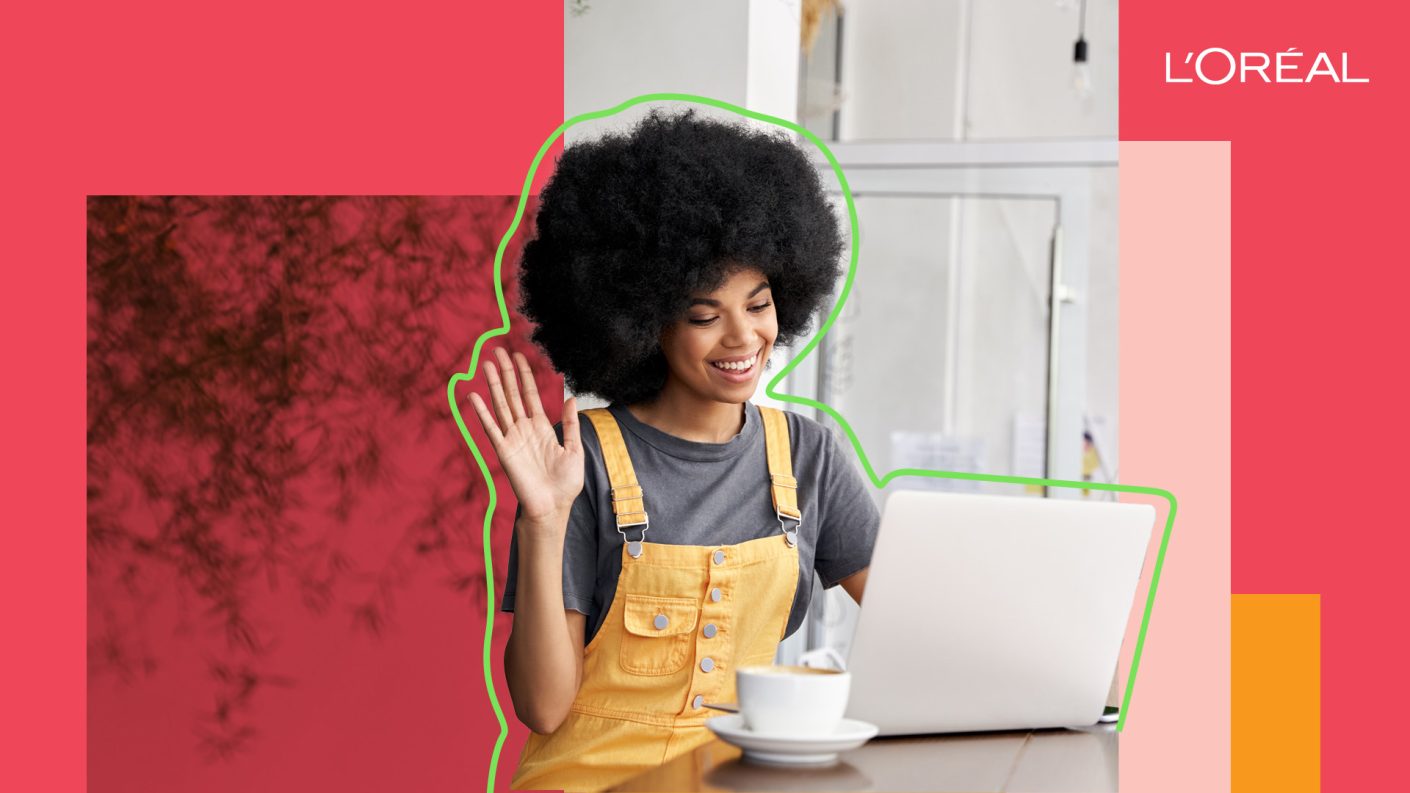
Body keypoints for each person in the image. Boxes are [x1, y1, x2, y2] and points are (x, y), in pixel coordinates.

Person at [467, 109, 880, 792]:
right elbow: (543, 706)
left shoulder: (808, 456)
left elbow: (916, 621)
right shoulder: (582, 462)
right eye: (703, 315)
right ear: (642, 318)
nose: (743, 338)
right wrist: (541, 521)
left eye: (759, 304)